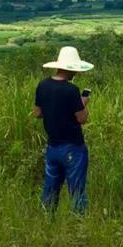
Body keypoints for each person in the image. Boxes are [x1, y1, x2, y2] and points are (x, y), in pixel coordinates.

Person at [33, 46, 93, 213]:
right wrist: (82, 103)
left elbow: (37, 113)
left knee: (50, 189)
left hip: (52, 146)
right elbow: (82, 118)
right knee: (76, 190)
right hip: (73, 147)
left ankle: (47, 219)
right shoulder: (71, 90)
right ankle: (78, 222)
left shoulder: (43, 85)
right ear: (71, 68)